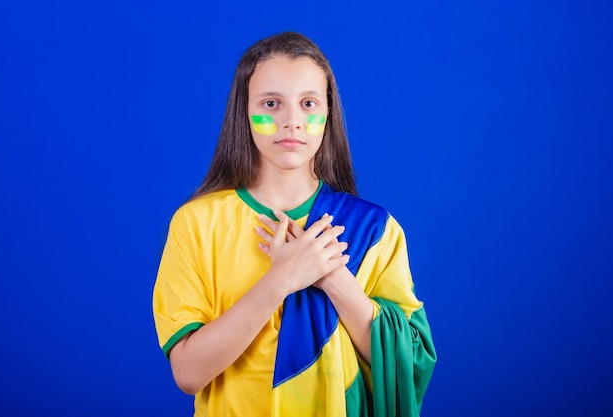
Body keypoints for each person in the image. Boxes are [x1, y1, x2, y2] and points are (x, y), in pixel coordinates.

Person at [152, 31, 437, 416]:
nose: (291, 122)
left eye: (308, 103)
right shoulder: (196, 224)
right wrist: (281, 279)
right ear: (244, 112)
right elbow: (187, 373)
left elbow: (411, 361)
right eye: (271, 103)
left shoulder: (374, 229)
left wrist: (334, 279)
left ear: (327, 113)